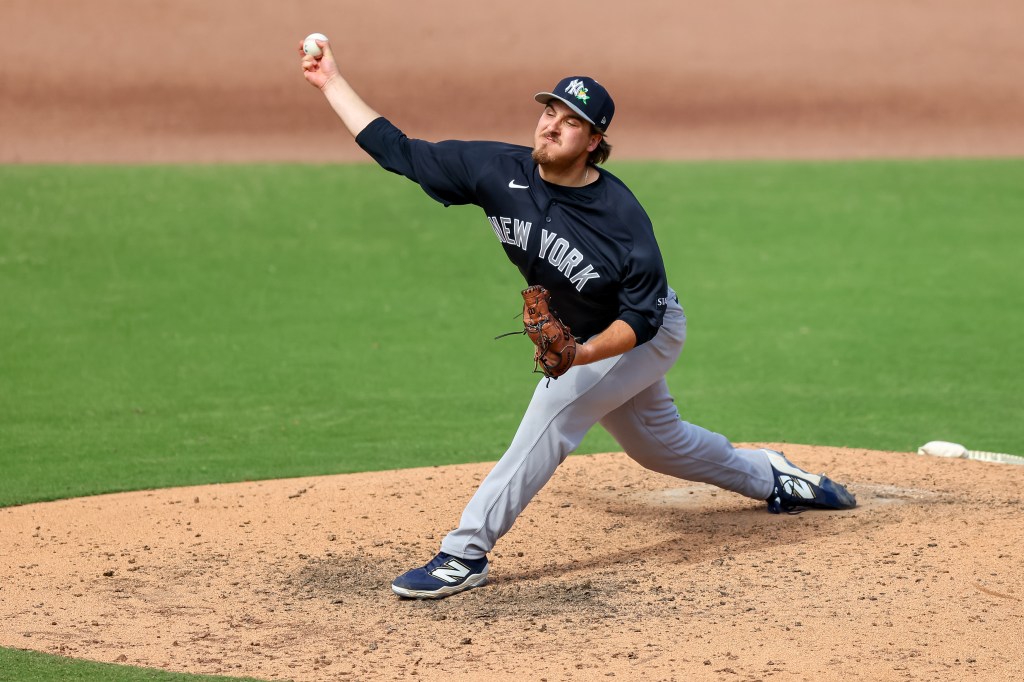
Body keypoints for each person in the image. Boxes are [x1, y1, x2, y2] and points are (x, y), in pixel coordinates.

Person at [299, 38, 857, 600]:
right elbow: (399, 150)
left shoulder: (621, 219)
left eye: (571, 123)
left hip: (640, 334)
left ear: (594, 142)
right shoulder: (497, 171)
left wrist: (580, 356)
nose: (551, 127)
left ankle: (463, 553)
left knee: (555, 408)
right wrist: (331, 83)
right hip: (588, 337)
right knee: (659, 446)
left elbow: (643, 316)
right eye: (549, 113)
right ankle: (774, 475)